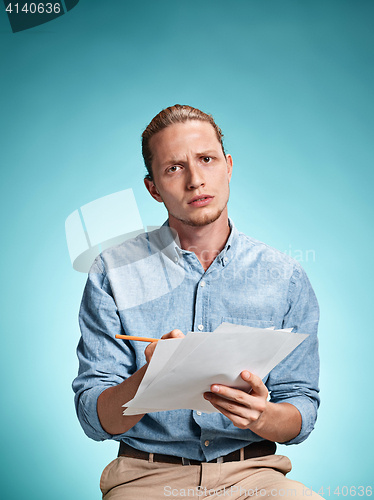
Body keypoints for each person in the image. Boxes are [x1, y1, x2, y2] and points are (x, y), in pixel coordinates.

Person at [73, 105, 321, 500]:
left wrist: (262, 415)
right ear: (153, 187)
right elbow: (93, 416)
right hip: (145, 478)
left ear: (228, 166)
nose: (195, 180)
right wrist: (148, 382)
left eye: (206, 159)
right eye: (174, 168)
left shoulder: (286, 277)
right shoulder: (112, 272)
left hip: (253, 476)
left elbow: (301, 410)